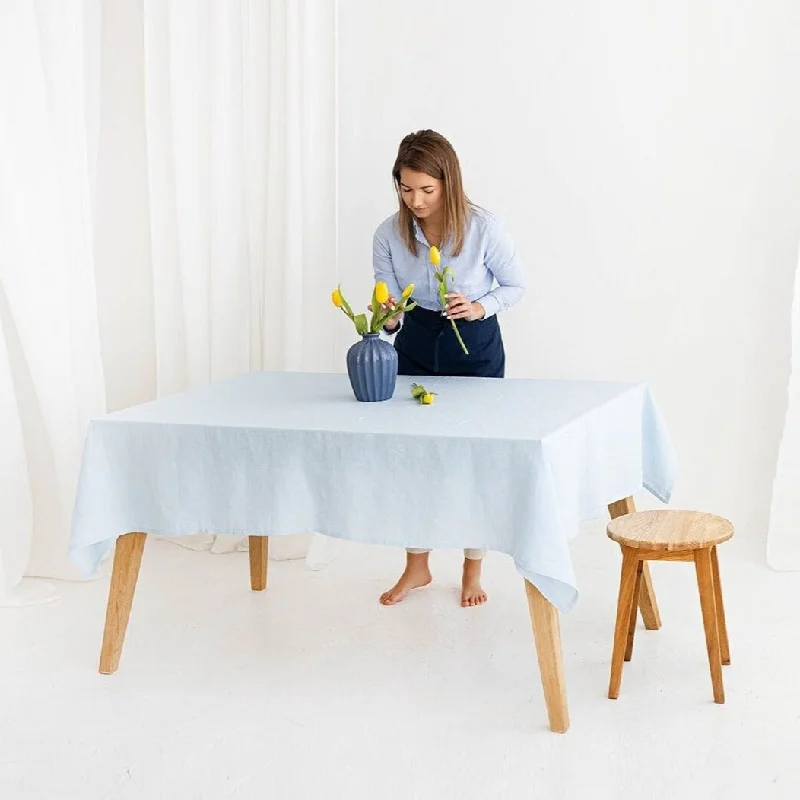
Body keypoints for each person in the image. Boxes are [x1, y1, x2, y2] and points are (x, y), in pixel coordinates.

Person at [372, 129, 526, 607]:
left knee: (473, 459)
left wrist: (478, 307)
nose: (415, 200)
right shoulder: (387, 234)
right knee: (415, 457)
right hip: (416, 342)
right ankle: (416, 566)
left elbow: (515, 285)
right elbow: (386, 301)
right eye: (405, 188)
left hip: (474, 344)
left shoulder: (485, 228)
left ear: (448, 183)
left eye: (426, 189)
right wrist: (390, 315)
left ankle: (472, 569)